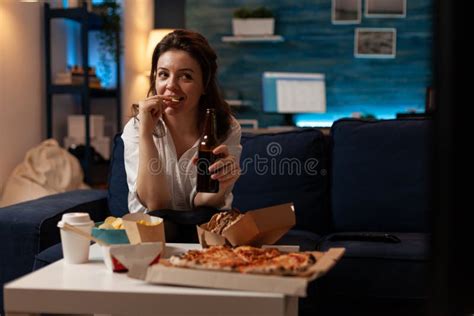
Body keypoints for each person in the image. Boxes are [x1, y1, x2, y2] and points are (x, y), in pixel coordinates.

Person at [121, 30, 242, 240]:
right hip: (153, 232)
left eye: (185, 76)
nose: (170, 86)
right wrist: (146, 135)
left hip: (205, 223)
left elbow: (204, 204)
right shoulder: (136, 127)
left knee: (207, 219)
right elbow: (155, 204)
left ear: (204, 84)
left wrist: (219, 186)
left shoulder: (226, 127)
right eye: (163, 74)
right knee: (159, 220)